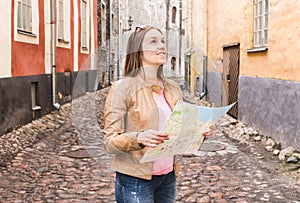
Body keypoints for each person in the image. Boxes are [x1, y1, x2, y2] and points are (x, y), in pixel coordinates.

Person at [103, 25, 215, 203]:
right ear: (138, 52)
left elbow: (178, 128)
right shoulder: (122, 88)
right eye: (153, 42)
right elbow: (110, 142)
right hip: (135, 179)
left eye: (162, 41)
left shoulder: (172, 87)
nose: (162, 46)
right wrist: (139, 138)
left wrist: (201, 131)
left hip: (168, 176)